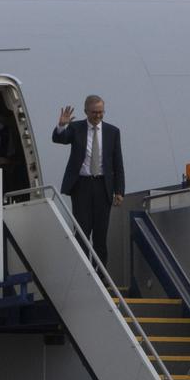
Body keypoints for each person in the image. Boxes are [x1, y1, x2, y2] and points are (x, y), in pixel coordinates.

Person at [52, 95, 124, 264]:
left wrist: (119, 190)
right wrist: (62, 125)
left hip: (103, 186)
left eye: (101, 112)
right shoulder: (76, 128)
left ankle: (101, 277)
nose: (98, 116)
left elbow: (117, 162)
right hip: (81, 186)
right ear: (86, 112)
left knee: (100, 234)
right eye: (94, 112)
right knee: (82, 233)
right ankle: (83, 272)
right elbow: (59, 139)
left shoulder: (112, 132)